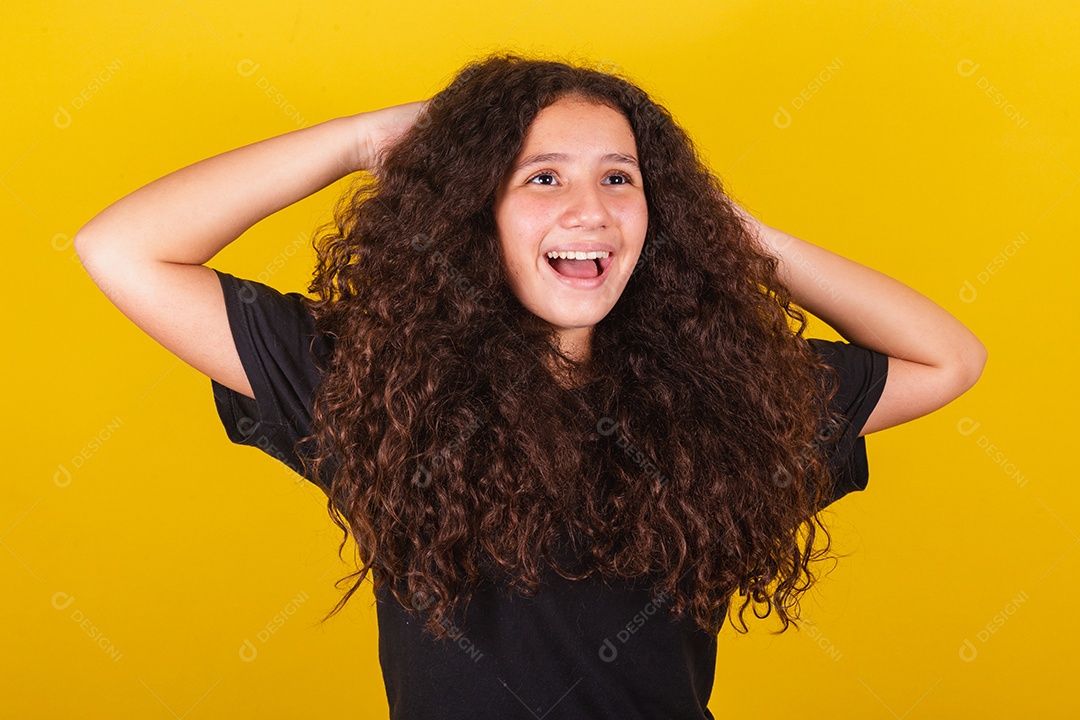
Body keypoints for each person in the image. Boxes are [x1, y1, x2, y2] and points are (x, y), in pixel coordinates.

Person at [74, 52, 986, 719]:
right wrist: (361, 140)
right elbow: (121, 249)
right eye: (541, 177)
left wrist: (736, 233)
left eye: (619, 180)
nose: (589, 209)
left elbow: (948, 358)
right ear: (477, 213)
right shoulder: (374, 386)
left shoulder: (727, 399)